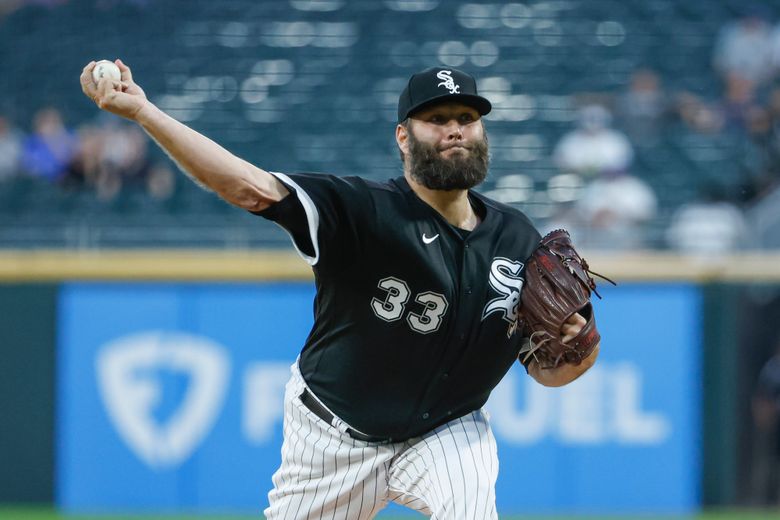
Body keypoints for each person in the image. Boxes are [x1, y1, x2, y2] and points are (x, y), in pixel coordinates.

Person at [80, 60, 599, 519]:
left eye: (466, 118)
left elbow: (550, 374)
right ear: (403, 136)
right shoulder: (360, 209)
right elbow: (249, 187)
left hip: (448, 428)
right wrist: (147, 114)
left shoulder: (518, 238)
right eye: (436, 119)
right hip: (332, 435)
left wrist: (581, 347)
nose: (454, 130)